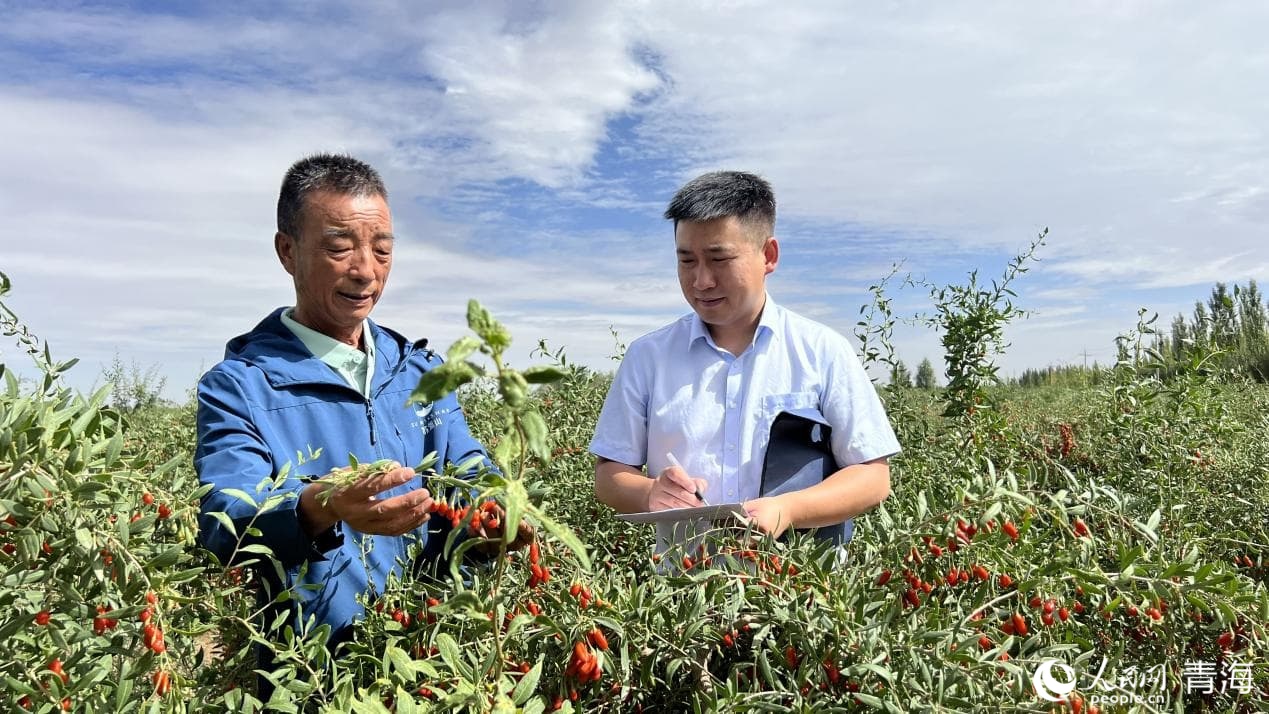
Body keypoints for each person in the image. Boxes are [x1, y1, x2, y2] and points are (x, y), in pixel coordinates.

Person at [195, 154, 509, 655]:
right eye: (340, 247)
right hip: (311, 670)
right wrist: (320, 507)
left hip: (436, 660)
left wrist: (497, 513)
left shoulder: (421, 372)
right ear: (287, 251)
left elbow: (469, 466)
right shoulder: (239, 387)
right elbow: (224, 519)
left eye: (382, 250)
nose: (366, 271)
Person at [590, 171, 900, 556]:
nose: (701, 280)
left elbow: (873, 478)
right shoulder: (647, 357)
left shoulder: (822, 352)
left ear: (768, 255)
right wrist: (650, 492)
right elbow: (609, 475)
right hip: (684, 596)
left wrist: (788, 509)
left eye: (719, 259)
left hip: (802, 595)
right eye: (686, 260)